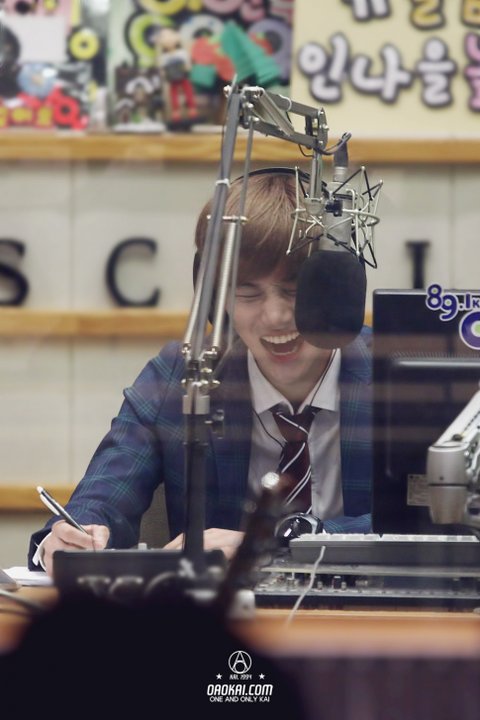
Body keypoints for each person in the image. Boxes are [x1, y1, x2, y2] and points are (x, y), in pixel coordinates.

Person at [28, 170, 372, 576]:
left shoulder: (398, 379)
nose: (275, 316)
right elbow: (102, 497)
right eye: (247, 292)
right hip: (219, 611)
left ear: (340, 289)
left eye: (294, 291)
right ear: (214, 297)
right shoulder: (180, 376)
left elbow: (427, 525)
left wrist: (279, 542)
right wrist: (72, 538)